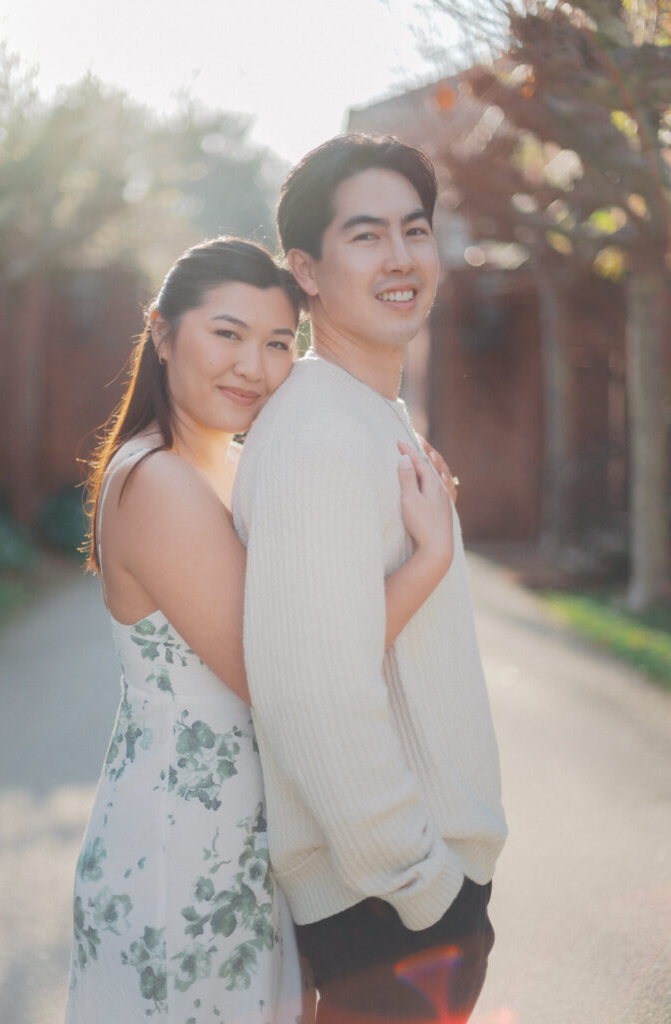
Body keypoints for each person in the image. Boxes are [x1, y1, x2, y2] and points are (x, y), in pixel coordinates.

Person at [64, 236, 458, 1023]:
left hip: (244, 843)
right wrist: (427, 559)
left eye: (279, 342)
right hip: (184, 851)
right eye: (227, 333)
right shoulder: (160, 481)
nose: (253, 364)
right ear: (165, 334)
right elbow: (281, 669)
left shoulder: (237, 469)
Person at [233, 135, 508, 1024]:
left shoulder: (363, 415)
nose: (400, 258)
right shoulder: (317, 433)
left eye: (415, 229)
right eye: (365, 235)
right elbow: (312, 691)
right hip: (389, 911)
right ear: (305, 271)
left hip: (407, 901)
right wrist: (423, 884)